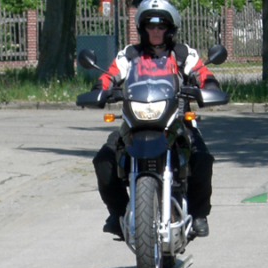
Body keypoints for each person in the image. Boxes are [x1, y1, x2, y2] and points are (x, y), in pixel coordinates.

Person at [92, 0, 220, 239]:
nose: (156, 31)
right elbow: (109, 74)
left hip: (177, 120)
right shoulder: (129, 55)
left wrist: (209, 86)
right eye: (150, 26)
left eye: (161, 26)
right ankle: (118, 213)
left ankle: (199, 214)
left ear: (170, 28)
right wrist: (100, 88)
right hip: (135, 121)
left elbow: (204, 73)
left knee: (201, 158)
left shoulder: (182, 54)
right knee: (104, 159)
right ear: (142, 28)